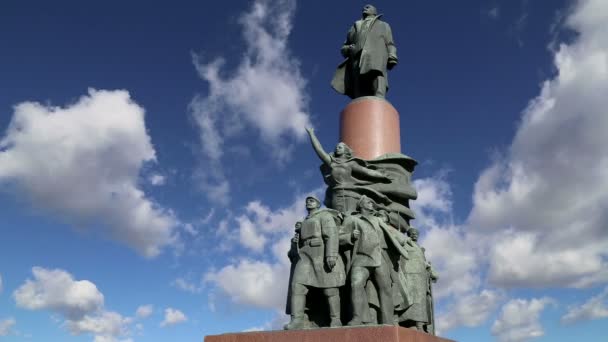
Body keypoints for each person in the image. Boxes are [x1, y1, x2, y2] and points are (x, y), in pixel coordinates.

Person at [340, 195, 409, 325]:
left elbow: (393, 235)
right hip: (361, 257)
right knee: (356, 285)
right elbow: (339, 237)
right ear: (361, 205)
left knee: (386, 289)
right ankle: (357, 317)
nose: (372, 204)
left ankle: (387, 320)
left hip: (380, 257)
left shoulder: (379, 220)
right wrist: (350, 236)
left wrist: (403, 241)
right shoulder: (352, 219)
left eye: (372, 203)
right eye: (368, 202)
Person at [285, 197, 346, 329]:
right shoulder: (303, 221)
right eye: (307, 200)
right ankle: (297, 320)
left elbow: (332, 234)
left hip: (321, 251)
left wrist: (331, 254)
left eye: (312, 200)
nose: (308, 202)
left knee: (330, 288)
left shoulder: (324, 216)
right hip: (305, 254)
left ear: (318, 204)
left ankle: (336, 320)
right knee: (298, 285)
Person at [306, 127, 390, 214]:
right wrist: (311, 134)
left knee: (350, 218)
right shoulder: (332, 163)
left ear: (345, 150)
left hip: (350, 194)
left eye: (340, 147)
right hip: (336, 195)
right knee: (339, 219)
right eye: (336, 147)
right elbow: (319, 150)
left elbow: (367, 172)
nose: (337, 148)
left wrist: (381, 175)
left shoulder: (350, 164)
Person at [331, 4, 398, 99]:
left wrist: (392, 55)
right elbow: (344, 47)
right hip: (357, 57)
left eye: (368, 7)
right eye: (364, 7)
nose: (365, 8)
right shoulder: (355, 26)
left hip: (377, 55)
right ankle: (359, 102)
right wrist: (348, 48)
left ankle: (379, 98)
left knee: (377, 74)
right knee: (358, 82)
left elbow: (390, 43)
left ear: (374, 11)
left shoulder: (384, 25)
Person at [400, 227, 435, 332]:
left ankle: (420, 325)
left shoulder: (419, 248)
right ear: (409, 234)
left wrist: (429, 269)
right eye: (413, 233)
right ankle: (411, 323)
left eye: (416, 233)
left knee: (421, 302)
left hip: (420, 277)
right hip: (410, 275)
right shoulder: (405, 243)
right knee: (411, 300)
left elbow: (423, 262)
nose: (415, 235)